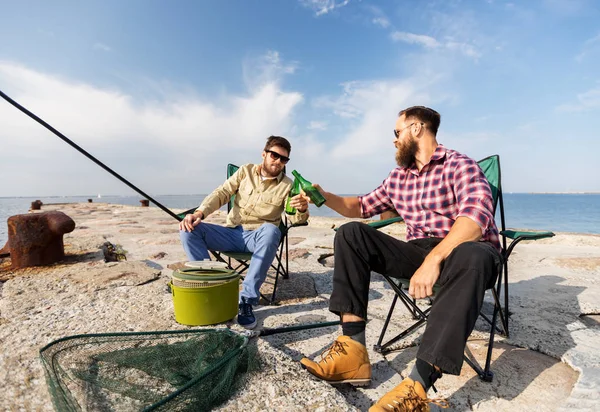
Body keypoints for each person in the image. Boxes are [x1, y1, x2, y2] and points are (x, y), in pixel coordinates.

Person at [300, 106, 501, 411]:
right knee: (352, 234)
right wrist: (324, 195)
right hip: (419, 251)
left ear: (417, 129)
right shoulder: (399, 177)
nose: (394, 140)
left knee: (472, 254)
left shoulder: (460, 165)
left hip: (467, 253)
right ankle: (352, 352)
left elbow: (475, 219)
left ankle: (416, 389)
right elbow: (361, 206)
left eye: (397, 132)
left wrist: (434, 259)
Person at [179, 136, 309, 329]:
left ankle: (246, 301)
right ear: (264, 154)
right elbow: (221, 194)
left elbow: (296, 219)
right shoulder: (245, 171)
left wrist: (302, 209)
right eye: (275, 155)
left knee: (272, 231)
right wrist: (198, 213)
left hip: (258, 237)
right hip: (231, 233)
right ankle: (209, 285)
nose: (278, 162)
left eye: (284, 159)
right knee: (189, 228)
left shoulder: (289, 186)